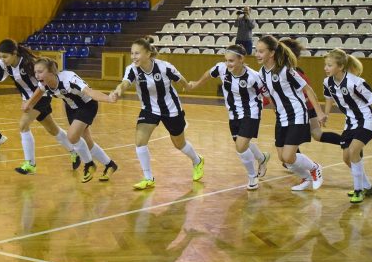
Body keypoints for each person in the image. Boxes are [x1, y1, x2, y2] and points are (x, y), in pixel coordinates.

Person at [111, 37, 204, 190]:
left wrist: (188, 86)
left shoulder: (164, 67)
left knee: (179, 144)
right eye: (132, 53)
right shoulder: (132, 69)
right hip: (149, 109)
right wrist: (117, 91)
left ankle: (197, 160)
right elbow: (125, 83)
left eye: (137, 53)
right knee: (140, 141)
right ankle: (148, 178)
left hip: (171, 109)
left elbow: (180, 79)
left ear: (148, 54)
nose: (133, 57)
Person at [0, 39, 83, 174]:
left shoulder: (29, 63)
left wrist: (30, 101)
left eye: (5, 56)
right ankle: (74, 152)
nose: (2, 59)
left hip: (41, 96)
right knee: (52, 129)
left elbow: (45, 79)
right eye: (0, 56)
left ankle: (30, 164)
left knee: (23, 125)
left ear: (14, 53)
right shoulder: (3, 64)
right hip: (29, 99)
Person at [187, 44, 270, 190]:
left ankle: (252, 177)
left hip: (251, 112)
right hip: (233, 113)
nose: (227, 63)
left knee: (240, 147)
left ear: (241, 59)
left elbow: (268, 95)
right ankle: (262, 158)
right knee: (242, 144)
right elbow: (209, 73)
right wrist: (197, 84)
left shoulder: (253, 77)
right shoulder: (221, 68)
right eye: (226, 60)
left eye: (231, 61)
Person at [23, 57, 118, 183]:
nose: (36, 75)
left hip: (87, 105)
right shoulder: (44, 83)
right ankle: (110, 164)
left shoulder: (69, 79)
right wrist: (29, 103)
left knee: (72, 136)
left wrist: (108, 98)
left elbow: (90, 92)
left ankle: (89, 164)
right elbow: (39, 90)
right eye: (35, 72)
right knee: (87, 142)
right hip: (71, 108)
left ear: (51, 71)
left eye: (40, 72)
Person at [255, 35, 326, 191]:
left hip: (297, 114)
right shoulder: (262, 73)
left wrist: (319, 112)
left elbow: (308, 89)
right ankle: (306, 177)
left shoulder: (285, 70)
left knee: (288, 156)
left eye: (261, 51)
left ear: (271, 53)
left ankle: (315, 168)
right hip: (282, 117)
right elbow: (268, 95)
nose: (257, 54)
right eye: (256, 51)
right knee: (284, 158)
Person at [323, 48, 372, 203]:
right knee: (347, 158)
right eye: (325, 65)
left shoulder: (356, 82)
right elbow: (328, 98)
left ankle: (358, 190)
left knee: (354, 151)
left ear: (340, 67)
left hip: (368, 120)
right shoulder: (328, 82)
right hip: (350, 122)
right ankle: (367, 186)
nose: (325, 68)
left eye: (329, 65)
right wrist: (325, 114)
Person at [280, 38, 342, 148]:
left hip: (301, 110)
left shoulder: (293, 73)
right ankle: (347, 143)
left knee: (288, 141)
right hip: (306, 108)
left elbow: (308, 93)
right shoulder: (287, 71)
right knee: (317, 134)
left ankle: (349, 144)